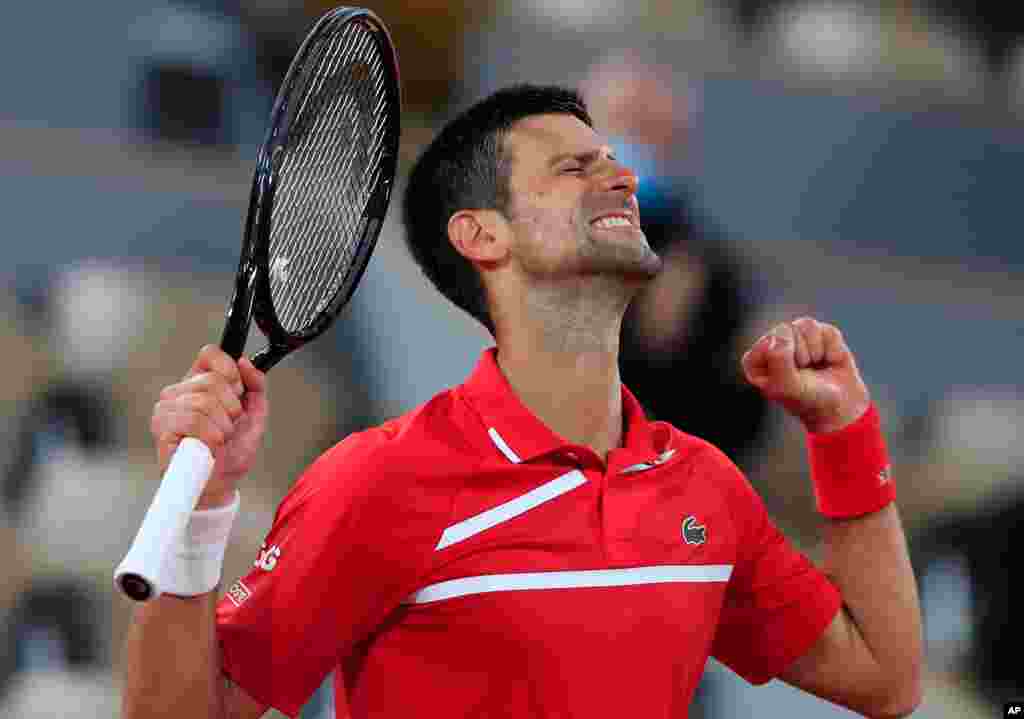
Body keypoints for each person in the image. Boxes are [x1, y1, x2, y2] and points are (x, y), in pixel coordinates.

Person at [121, 85, 923, 719]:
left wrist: (842, 431)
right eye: (575, 168)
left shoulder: (706, 489)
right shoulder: (379, 482)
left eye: (614, 161)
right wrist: (200, 514)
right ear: (482, 235)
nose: (622, 178)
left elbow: (883, 676)